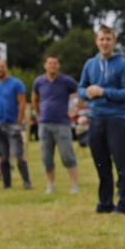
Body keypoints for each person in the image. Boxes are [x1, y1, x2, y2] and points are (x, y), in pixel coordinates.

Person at [78, 25, 125, 214]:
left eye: (108, 39)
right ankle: (105, 203)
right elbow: (80, 88)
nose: (105, 42)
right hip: (95, 119)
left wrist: (104, 92)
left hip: (117, 119)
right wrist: (86, 92)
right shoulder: (90, 64)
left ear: (114, 41)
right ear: (96, 41)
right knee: (101, 163)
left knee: (121, 164)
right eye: (101, 39)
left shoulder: (124, 65)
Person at [32, 55, 80, 194]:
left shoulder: (66, 81)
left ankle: (74, 185)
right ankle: (50, 185)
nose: (52, 66)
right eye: (50, 63)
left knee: (67, 155)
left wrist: (75, 109)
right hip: (44, 124)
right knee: (46, 157)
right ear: (45, 65)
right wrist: (39, 114)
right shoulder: (39, 82)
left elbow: (80, 92)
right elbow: (35, 98)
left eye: (55, 63)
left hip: (62, 124)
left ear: (58, 66)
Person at [0, 59, 32, 189]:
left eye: (1, 66)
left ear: (6, 67)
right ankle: (7, 184)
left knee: (18, 154)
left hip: (12, 124)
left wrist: (18, 121)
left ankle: (26, 182)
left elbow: (22, 103)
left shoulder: (16, 84)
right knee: (3, 156)